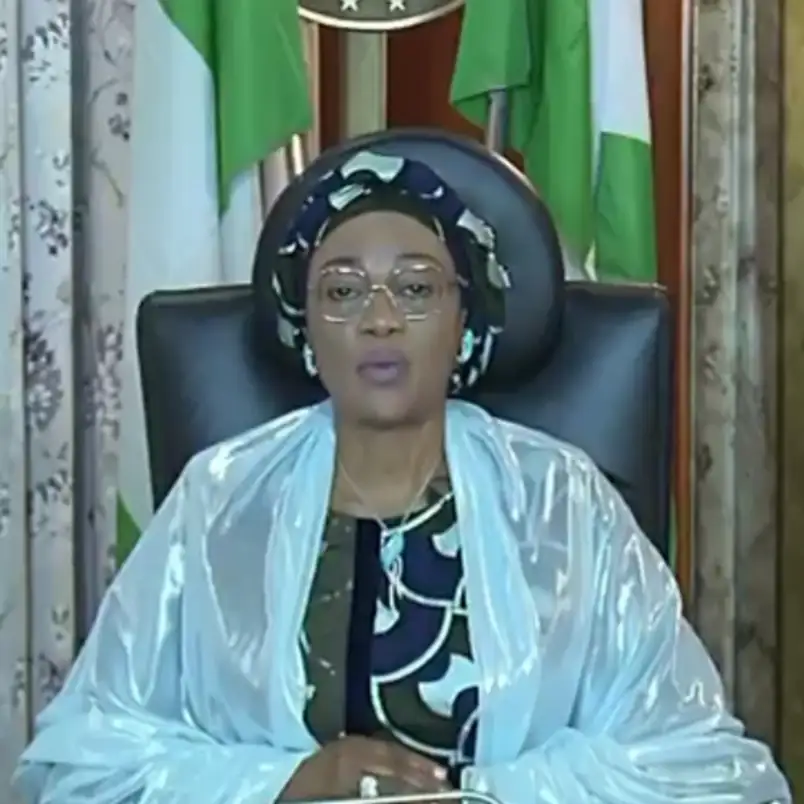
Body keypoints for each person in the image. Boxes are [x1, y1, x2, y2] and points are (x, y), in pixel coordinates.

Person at [15, 151, 790, 804]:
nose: (379, 319)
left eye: (416, 289)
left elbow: (699, 763)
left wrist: (479, 797)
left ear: (464, 322)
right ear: (306, 326)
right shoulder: (218, 499)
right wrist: (287, 782)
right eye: (343, 291)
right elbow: (80, 764)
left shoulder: (562, 498)